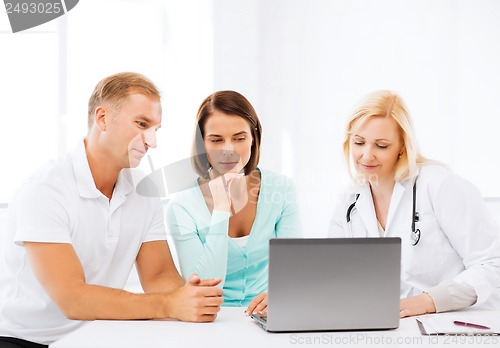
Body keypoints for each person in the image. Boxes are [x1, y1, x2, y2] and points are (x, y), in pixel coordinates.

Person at [0, 72, 223, 348]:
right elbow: (73, 299)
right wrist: (168, 305)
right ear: (102, 118)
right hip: (26, 341)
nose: (152, 142)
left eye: (155, 129)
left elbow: (158, 276)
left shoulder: (143, 189)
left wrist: (191, 297)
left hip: (97, 335)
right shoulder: (46, 191)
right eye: (142, 124)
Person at [328, 90, 500, 318]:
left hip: (450, 324)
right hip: (387, 326)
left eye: (381, 146)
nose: (366, 156)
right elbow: (332, 273)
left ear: (402, 146)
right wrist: (296, 295)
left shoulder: (439, 185)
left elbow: (492, 265)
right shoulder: (350, 202)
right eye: (359, 142)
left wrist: (430, 301)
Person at [166, 90, 302, 314]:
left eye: (239, 138)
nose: (228, 150)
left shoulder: (282, 189)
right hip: (210, 319)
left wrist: (282, 295)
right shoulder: (182, 205)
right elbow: (204, 285)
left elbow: (296, 269)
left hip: (267, 315)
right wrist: (220, 210)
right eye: (216, 140)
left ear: (253, 139)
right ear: (202, 144)